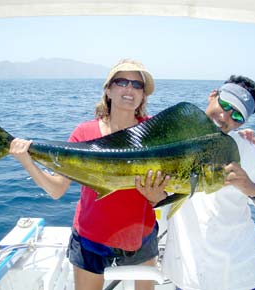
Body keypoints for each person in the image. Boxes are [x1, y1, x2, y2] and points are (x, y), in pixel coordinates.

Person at [9, 58, 169, 290]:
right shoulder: (84, 133)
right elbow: (56, 190)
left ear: (143, 95)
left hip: (140, 236)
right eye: (122, 82)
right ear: (108, 89)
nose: (129, 89)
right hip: (91, 238)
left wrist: (155, 197)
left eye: (137, 85)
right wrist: (27, 161)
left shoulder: (155, 133)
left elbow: (169, 192)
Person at [140, 75, 255, 290]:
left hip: (240, 279)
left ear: (243, 123)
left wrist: (252, 189)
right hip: (186, 278)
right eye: (225, 105)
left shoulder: (249, 153)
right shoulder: (171, 142)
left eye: (237, 116)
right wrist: (156, 198)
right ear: (213, 96)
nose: (225, 116)